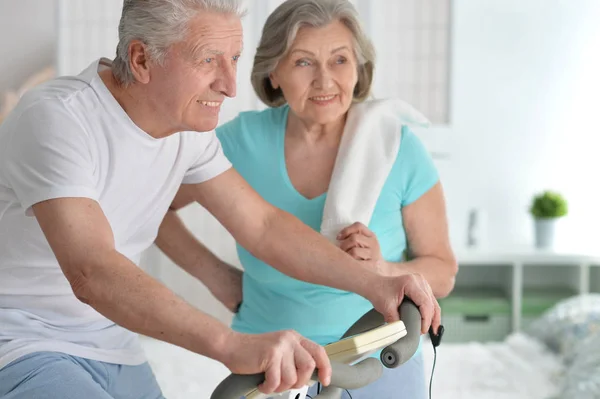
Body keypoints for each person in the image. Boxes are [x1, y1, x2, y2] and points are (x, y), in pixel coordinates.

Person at [0, 1, 441, 399]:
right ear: (140, 59)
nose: (230, 85)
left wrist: (376, 284)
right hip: (22, 338)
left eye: (233, 59)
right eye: (209, 60)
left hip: (111, 340)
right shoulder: (58, 119)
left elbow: (263, 226)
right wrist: (230, 345)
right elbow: (92, 271)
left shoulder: (190, 131)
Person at [156, 0, 457, 398]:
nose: (325, 81)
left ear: (359, 68)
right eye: (303, 62)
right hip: (270, 362)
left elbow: (443, 271)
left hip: (378, 358)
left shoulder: (397, 148)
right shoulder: (238, 142)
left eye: (339, 60)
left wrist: (381, 268)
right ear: (274, 73)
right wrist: (219, 278)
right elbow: (153, 208)